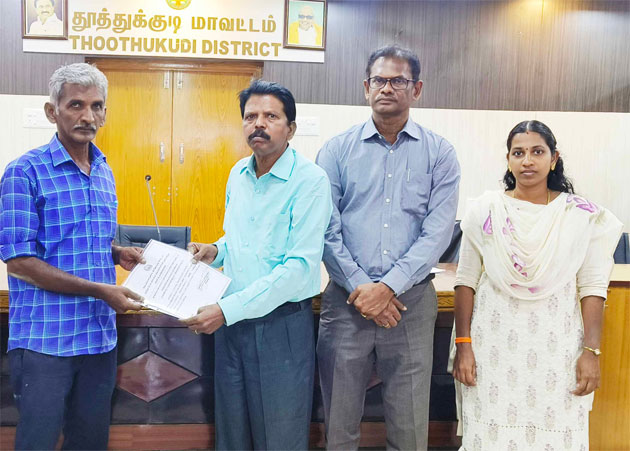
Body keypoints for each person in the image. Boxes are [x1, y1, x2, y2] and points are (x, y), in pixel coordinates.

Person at [316, 45, 461, 450]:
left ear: (417, 89)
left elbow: (437, 233)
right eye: (379, 80)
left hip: (410, 305)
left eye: (398, 81)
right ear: (366, 87)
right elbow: (325, 228)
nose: (387, 88)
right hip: (346, 303)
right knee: (339, 427)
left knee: (409, 428)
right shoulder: (336, 150)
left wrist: (388, 288)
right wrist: (363, 289)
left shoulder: (440, 153)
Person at [451, 120, 623, 450]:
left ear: (554, 158)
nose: (527, 161)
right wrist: (464, 345)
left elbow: (592, 287)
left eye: (537, 152)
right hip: (493, 346)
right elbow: (465, 281)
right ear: (508, 160)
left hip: (557, 348)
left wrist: (591, 352)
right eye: (518, 153)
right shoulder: (485, 211)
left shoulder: (580, 215)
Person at [0, 63, 144, 450]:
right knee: (38, 442)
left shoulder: (103, 171)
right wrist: (100, 290)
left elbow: (80, 241)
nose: (87, 116)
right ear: (53, 111)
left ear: (105, 113)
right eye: (75, 105)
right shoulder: (24, 172)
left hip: (98, 338)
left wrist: (117, 252)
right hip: (46, 340)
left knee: (90, 442)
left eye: (96, 106)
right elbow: (19, 262)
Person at [183, 80, 333, 450]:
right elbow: (238, 239)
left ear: (291, 129)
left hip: (280, 325)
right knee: (232, 433)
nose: (259, 124)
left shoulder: (310, 181)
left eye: (271, 116)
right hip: (232, 325)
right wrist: (215, 251)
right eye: (250, 117)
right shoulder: (238, 173)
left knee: (278, 437)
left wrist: (226, 310)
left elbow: (299, 268)